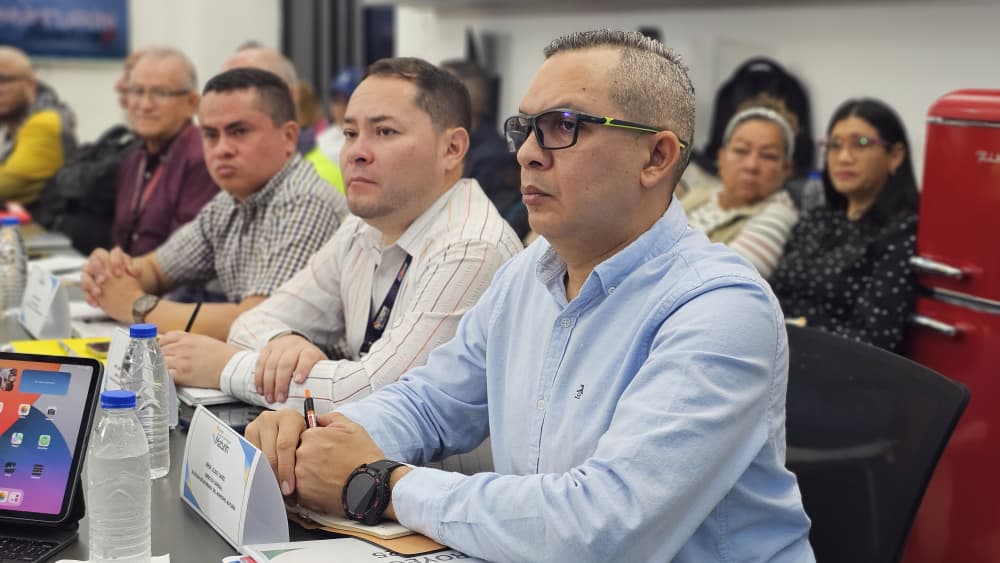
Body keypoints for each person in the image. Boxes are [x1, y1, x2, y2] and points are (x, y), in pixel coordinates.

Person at [246, 30, 814, 562]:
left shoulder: (718, 308)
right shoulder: (528, 275)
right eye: (525, 128)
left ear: (656, 157)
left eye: (563, 126)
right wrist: (319, 432)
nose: (527, 154)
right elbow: (431, 403)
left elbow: (602, 528)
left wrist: (378, 483)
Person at [160, 57, 522, 411]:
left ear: (452, 148)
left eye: (385, 132)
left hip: (431, 471)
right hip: (357, 462)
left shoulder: (472, 248)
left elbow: (377, 396)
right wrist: (286, 342)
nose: (356, 153)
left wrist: (225, 367)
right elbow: (251, 323)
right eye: (350, 133)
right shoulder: (361, 228)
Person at [81, 68, 349, 341]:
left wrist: (136, 307)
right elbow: (157, 270)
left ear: (289, 137)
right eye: (210, 135)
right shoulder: (228, 203)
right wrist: (109, 274)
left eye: (239, 131)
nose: (222, 148)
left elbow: (258, 322)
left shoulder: (306, 202)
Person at [770, 98, 919, 353]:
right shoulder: (816, 219)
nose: (844, 157)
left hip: (840, 368)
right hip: (777, 353)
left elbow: (875, 339)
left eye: (861, 144)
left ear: (895, 156)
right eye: (834, 145)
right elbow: (772, 297)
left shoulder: (902, 232)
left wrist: (791, 332)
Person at [113, 47, 219, 256]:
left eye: (160, 93)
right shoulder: (135, 158)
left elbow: (188, 255)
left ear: (192, 103)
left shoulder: (202, 158)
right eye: (136, 91)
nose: (144, 105)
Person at [681, 93, 799, 277]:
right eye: (741, 150)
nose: (751, 165)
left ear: (785, 169)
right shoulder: (698, 196)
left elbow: (726, 280)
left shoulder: (780, 213)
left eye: (768, 156)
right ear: (721, 158)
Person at [440, 59, 526, 238]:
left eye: (437, 93)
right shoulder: (449, 143)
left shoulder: (492, 155)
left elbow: (461, 215)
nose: (429, 101)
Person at [0, 46, 76, 206]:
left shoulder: (44, 123)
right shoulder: (14, 125)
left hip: (40, 227)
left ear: (30, 83)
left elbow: (5, 186)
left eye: (3, 80)